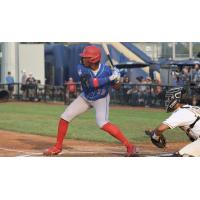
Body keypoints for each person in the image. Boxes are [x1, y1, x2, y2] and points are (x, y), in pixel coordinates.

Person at [44, 45, 136, 156]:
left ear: (92, 60)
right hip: (86, 97)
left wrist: (117, 78)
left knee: (102, 123)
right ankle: (57, 147)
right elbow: (91, 83)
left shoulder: (107, 70)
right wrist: (110, 78)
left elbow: (117, 87)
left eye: (85, 57)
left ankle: (129, 146)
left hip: (101, 99)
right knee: (65, 116)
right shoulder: (81, 68)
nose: (83, 58)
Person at [145, 87, 200, 156]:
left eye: (169, 98)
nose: (167, 101)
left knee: (180, 156)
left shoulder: (180, 112)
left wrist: (155, 136)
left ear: (175, 99)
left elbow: (160, 128)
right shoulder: (191, 107)